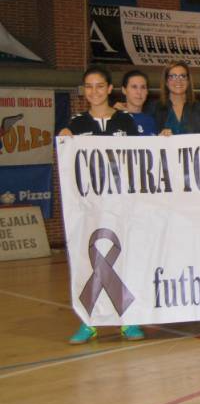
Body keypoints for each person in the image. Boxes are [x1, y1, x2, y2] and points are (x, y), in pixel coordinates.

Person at [59, 66, 145, 344]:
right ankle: (89, 321)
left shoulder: (125, 121)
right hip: (90, 207)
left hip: (123, 204)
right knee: (90, 260)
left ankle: (129, 321)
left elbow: (140, 158)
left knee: (127, 260)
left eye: (99, 86)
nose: (94, 91)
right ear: (83, 91)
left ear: (109, 89)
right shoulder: (76, 125)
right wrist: (63, 140)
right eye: (89, 86)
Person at [150, 61, 200, 135]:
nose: (178, 80)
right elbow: (146, 137)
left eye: (182, 76)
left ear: (188, 81)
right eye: (173, 76)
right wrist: (158, 138)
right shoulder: (153, 109)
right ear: (166, 82)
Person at [121, 70, 157, 136]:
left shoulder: (152, 121)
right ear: (124, 90)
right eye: (134, 87)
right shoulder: (114, 118)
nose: (139, 92)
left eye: (143, 87)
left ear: (147, 91)